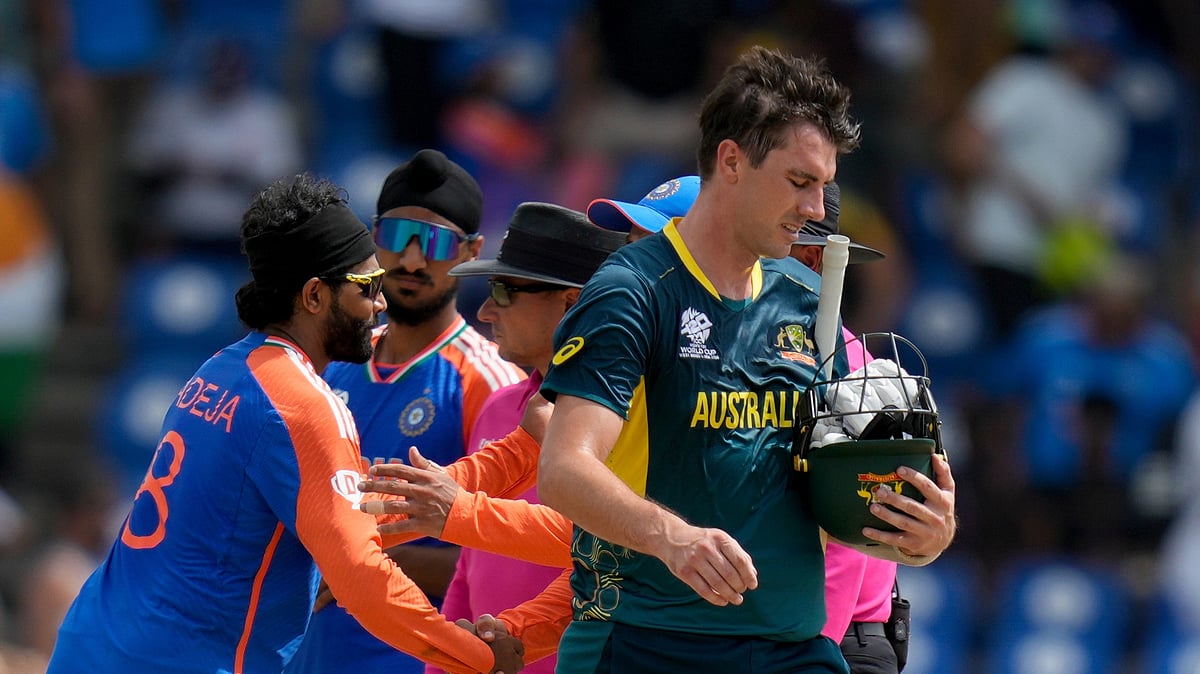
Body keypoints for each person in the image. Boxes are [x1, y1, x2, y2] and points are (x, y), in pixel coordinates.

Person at [537, 46, 957, 673]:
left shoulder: (805, 306)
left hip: (795, 649)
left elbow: (840, 489)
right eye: (799, 182)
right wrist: (671, 538)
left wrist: (922, 532)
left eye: (824, 186)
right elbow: (564, 469)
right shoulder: (632, 290)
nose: (817, 210)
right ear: (731, 161)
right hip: (649, 643)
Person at [46, 173, 524, 674]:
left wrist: (516, 454)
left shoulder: (220, 369)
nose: (382, 303)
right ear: (315, 296)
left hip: (94, 643)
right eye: (367, 287)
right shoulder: (302, 402)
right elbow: (361, 574)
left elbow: (353, 512)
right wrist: (479, 659)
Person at [593, 176, 904, 674]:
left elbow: (837, 546)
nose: (643, 265)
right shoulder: (694, 347)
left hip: (823, 637)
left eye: (657, 245)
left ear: (808, 260)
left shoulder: (839, 361)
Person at [287, 149, 527, 674]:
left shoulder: (489, 384)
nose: (413, 260)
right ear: (374, 240)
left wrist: (363, 562)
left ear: (472, 250)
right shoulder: (329, 363)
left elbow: (506, 555)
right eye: (397, 238)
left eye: (437, 243)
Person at [416, 201, 627, 674]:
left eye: (505, 291)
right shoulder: (499, 407)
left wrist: (458, 513)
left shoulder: (630, 418)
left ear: (572, 304)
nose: (487, 309)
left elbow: (611, 551)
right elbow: (470, 574)